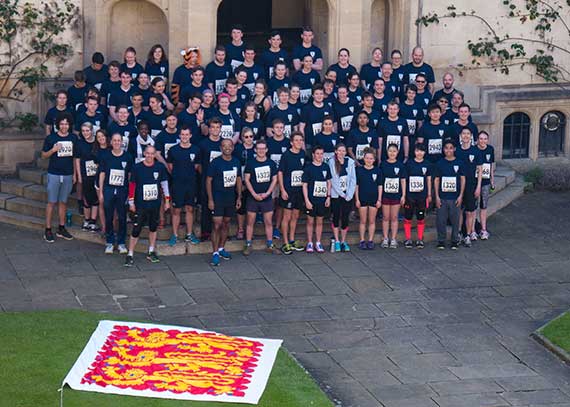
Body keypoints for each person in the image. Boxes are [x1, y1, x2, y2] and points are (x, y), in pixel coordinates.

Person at [125, 144, 170, 265]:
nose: (150, 156)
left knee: (153, 227)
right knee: (136, 229)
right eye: (148, 153)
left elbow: (164, 184)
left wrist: (167, 200)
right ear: (144, 154)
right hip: (140, 204)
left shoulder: (159, 167)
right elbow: (132, 185)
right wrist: (131, 202)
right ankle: (130, 254)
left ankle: (151, 251)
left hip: (154, 204)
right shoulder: (137, 168)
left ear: (155, 154)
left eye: (152, 153)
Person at [41, 112, 77, 243]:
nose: (64, 126)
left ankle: (61, 227)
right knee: (51, 202)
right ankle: (48, 229)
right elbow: (44, 155)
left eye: (66, 124)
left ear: (69, 125)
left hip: (67, 174)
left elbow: (75, 158)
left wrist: (74, 174)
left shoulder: (73, 138)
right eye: (62, 124)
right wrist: (53, 150)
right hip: (54, 173)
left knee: (63, 202)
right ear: (58, 125)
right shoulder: (51, 138)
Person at [206, 139, 242, 266]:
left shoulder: (236, 161)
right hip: (218, 198)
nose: (227, 148)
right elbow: (208, 181)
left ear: (233, 147)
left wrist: (239, 197)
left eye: (229, 146)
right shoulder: (215, 163)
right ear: (221, 148)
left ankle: (221, 248)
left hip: (230, 198)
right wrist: (210, 199)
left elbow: (238, 179)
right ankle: (214, 252)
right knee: (217, 225)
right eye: (224, 146)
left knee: (226, 223)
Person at [243, 139, 280, 255]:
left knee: (268, 221)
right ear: (255, 150)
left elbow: (275, 179)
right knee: (250, 221)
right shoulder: (250, 163)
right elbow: (247, 179)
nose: (261, 151)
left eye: (263, 149)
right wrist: (254, 194)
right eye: (259, 149)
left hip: (267, 197)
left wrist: (268, 193)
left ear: (267, 150)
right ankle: (248, 244)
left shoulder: (271, 163)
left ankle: (270, 244)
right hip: (252, 197)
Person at [166, 126, 201, 245]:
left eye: (187, 134)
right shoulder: (173, 150)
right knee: (176, 210)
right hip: (177, 184)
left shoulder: (196, 150)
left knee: (190, 209)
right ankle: (175, 235)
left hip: (191, 184)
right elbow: (170, 167)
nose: (184, 137)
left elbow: (196, 167)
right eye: (182, 134)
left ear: (190, 135)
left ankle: (189, 234)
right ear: (179, 136)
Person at [99, 133, 132, 254]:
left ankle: (121, 242)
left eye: (119, 140)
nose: (117, 142)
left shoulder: (127, 157)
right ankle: (109, 241)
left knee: (122, 217)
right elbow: (102, 173)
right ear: (111, 142)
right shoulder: (106, 156)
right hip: (108, 189)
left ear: (122, 142)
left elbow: (129, 176)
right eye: (115, 140)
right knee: (109, 216)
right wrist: (101, 192)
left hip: (122, 190)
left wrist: (129, 192)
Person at [434, 140, 465, 250]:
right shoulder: (440, 163)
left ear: (454, 149)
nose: (448, 150)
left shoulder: (460, 163)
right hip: (442, 197)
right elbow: (437, 180)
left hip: (455, 197)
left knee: (455, 220)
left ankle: (454, 240)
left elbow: (462, 179)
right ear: (443, 150)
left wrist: (461, 195)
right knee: (441, 220)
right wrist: (437, 196)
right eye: (446, 148)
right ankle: (441, 240)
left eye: (451, 148)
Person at [279, 132, 306, 254]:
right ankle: (285, 243)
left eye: (301, 140)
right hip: (288, 191)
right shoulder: (286, 155)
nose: (299, 142)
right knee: (287, 217)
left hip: (299, 191)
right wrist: (283, 189)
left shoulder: (303, 153)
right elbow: (280, 172)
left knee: (295, 216)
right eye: (296, 140)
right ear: (291, 142)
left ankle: (291, 240)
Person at [456, 128, 482, 247]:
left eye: (468, 133)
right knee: (459, 210)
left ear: (471, 136)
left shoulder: (475, 151)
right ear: (460, 136)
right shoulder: (457, 151)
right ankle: (459, 233)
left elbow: (480, 170)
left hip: (472, 184)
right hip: (458, 184)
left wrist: (478, 187)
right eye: (463, 134)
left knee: (470, 211)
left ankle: (468, 234)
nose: (465, 136)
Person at [302, 145, 331, 253]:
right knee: (310, 221)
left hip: (322, 200)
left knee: (319, 221)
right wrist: (307, 200)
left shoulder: (325, 167)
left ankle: (318, 242)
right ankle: (310, 242)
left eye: (321, 154)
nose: (319, 156)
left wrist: (328, 197)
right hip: (311, 200)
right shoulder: (308, 168)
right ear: (313, 154)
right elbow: (304, 185)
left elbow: (328, 182)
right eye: (317, 153)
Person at [198, 117, 223, 241]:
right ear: (209, 129)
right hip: (206, 180)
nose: (215, 129)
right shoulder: (203, 144)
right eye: (213, 127)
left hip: (222, 182)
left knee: (221, 207)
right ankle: (206, 232)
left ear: (221, 129)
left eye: (217, 127)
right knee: (206, 206)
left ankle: (220, 232)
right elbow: (199, 164)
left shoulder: (224, 143)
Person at [329, 143, 356, 252]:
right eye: (339, 151)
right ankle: (336, 241)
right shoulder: (331, 162)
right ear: (335, 151)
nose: (341, 153)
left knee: (345, 218)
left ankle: (343, 241)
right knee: (336, 217)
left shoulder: (350, 162)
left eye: (343, 151)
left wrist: (349, 194)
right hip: (336, 195)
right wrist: (341, 193)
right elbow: (333, 180)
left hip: (347, 196)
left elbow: (353, 179)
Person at [403, 143, 431, 249]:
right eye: (417, 150)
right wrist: (404, 195)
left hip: (422, 196)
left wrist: (428, 194)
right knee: (408, 216)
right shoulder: (409, 164)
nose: (419, 153)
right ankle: (408, 238)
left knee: (420, 217)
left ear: (424, 152)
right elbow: (405, 180)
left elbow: (428, 179)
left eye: (422, 151)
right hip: (410, 196)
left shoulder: (427, 164)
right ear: (414, 152)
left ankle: (420, 239)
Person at [74, 122, 100, 232]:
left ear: (91, 131)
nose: (85, 133)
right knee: (86, 197)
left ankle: (93, 221)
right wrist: (78, 175)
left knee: (95, 198)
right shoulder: (79, 143)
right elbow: (77, 159)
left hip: (96, 173)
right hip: (85, 174)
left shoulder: (96, 142)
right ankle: (87, 220)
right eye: (83, 131)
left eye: (87, 130)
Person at [380, 144, 406, 248]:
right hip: (386, 195)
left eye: (394, 151)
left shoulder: (400, 165)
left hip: (396, 195)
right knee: (386, 217)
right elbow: (380, 181)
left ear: (397, 152)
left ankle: (394, 239)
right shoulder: (383, 164)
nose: (392, 153)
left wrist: (403, 195)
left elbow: (403, 180)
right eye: (390, 151)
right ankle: (385, 238)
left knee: (394, 217)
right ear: (387, 152)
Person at [267, 119, 290, 239]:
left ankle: (277, 228)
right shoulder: (268, 142)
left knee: (281, 203)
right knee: (271, 202)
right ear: (272, 129)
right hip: (271, 178)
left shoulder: (288, 142)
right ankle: (269, 226)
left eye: (281, 127)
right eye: (277, 127)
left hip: (284, 178)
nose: (279, 129)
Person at [355, 148, 382, 249]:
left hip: (374, 199)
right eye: (367, 158)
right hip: (362, 198)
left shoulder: (377, 171)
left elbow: (380, 186)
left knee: (371, 221)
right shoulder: (360, 170)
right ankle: (362, 240)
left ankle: (370, 240)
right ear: (363, 158)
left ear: (374, 160)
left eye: (371, 158)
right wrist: (357, 199)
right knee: (362, 220)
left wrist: (379, 199)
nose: (369, 160)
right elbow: (356, 186)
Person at [233, 127, 256, 240]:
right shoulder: (237, 149)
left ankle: (250, 229)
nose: (249, 139)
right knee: (241, 207)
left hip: (254, 183)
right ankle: (241, 229)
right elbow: (236, 167)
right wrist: (239, 183)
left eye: (251, 136)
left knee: (252, 207)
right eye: (246, 137)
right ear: (242, 138)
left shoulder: (257, 149)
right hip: (241, 181)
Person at [299, 84, 335, 149]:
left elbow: (332, 126)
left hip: (325, 142)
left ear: (324, 95)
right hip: (310, 143)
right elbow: (301, 127)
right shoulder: (306, 109)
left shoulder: (328, 108)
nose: (319, 96)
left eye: (321, 94)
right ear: (313, 95)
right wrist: (302, 145)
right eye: (317, 94)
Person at [476, 130, 495, 240]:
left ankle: (483, 229)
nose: (483, 141)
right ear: (478, 140)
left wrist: (492, 180)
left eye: (485, 139)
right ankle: (473, 230)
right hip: (475, 181)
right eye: (481, 139)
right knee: (473, 207)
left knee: (484, 206)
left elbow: (491, 165)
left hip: (486, 181)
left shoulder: (490, 149)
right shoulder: (474, 150)